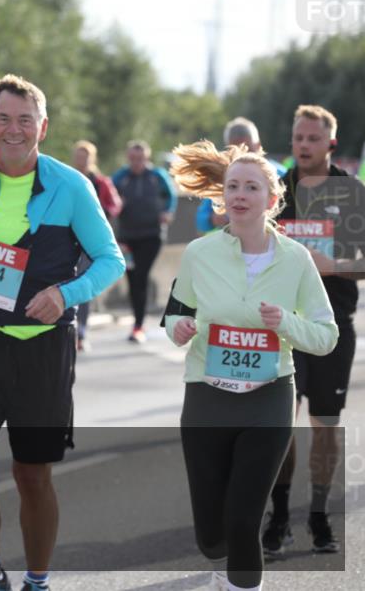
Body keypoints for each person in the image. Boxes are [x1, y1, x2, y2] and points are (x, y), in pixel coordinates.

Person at [0, 74, 124, 591]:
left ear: (43, 127)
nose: (13, 130)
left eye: (24, 120)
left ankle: (37, 580)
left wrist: (65, 294)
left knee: (31, 475)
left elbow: (110, 260)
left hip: (41, 348)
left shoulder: (71, 187)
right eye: (3, 119)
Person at [164, 139, 338, 591]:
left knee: (242, 521)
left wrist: (286, 324)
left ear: (272, 199)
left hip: (268, 397)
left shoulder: (296, 260)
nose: (240, 195)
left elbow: (326, 335)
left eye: (251, 187)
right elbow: (175, 314)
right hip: (207, 397)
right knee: (212, 537)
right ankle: (227, 557)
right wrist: (179, 329)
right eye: (233, 187)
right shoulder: (200, 254)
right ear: (223, 198)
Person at [263, 104, 363, 558]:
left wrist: (335, 265)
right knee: (281, 425)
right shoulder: (276, 191)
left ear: (330, 144)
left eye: (312, 139)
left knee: (324, 425)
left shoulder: (351, 193)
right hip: (281, 326)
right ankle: (279, 515)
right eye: (297, 138)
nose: (302, 145)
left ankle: (319, 516)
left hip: (331, 326)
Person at [111, 140, 176, 343]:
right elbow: (107, 197)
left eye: (140, 159)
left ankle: (139, 324)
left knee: (141, 275)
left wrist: (167, 212)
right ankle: (137, 324)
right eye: (132, 158)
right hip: (127, 237)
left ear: (146, 158)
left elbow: (171, 196)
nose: (136, 162)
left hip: (151, 235)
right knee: (132, 280)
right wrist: (114, 207)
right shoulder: (121, 177)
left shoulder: (157, 176)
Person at [71, 140, 122, 351]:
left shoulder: (100, 182)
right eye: (78, 156)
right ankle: (70, 327)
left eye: (85, 156)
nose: (82, 160)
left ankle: (81, 331)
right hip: (69, 238)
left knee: (83, 282)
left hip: (91, 241)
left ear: (92, 159)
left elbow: (115, 204)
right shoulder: (68, 178)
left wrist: (101, 215)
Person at [195, 118, 285, 234]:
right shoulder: (223, 178)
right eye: (233, 187)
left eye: (252, 187)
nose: (244, 157)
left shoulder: (280, 175)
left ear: (258, 146)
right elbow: (200, 220)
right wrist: (212, 219)